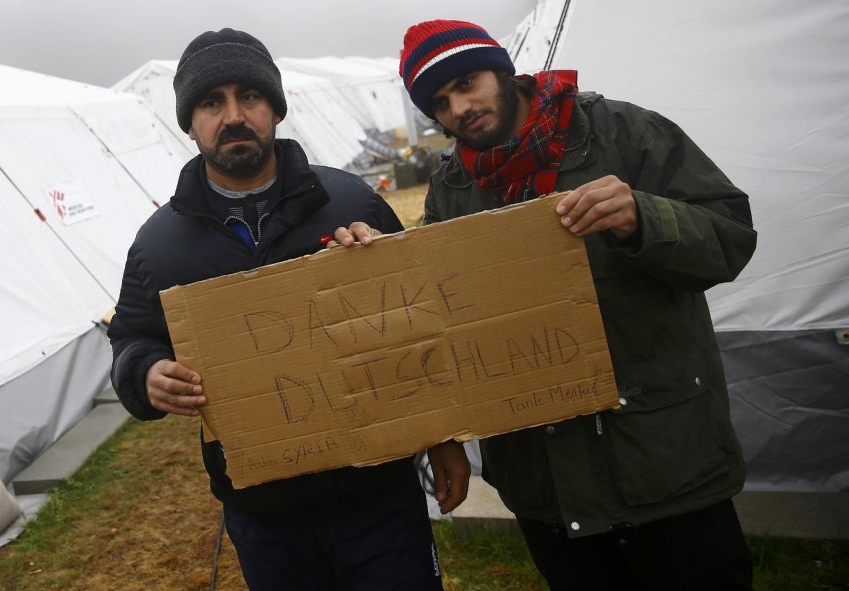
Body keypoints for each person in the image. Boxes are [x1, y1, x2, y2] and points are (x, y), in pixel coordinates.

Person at [336, 19, 757, 591]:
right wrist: (379, 268)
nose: (458, 108)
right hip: (548, 488)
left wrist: (643, 218)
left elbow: (731, 236)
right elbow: (439, 317)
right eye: (439, 102)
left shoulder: (620, 132)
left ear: (504, 70)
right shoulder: (453, 188)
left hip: (665, 466)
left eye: (467, 83)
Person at [108, 28, 461, 591]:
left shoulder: (350, 202)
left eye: (248, 96)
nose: (232, 116)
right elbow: (130, 337)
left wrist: (444, 437)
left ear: (274, 107)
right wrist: (145, 372)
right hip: (263, 513)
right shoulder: (159, 246)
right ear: (190, 121)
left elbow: (420, 320)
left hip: (377, 497)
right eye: (210, 102)